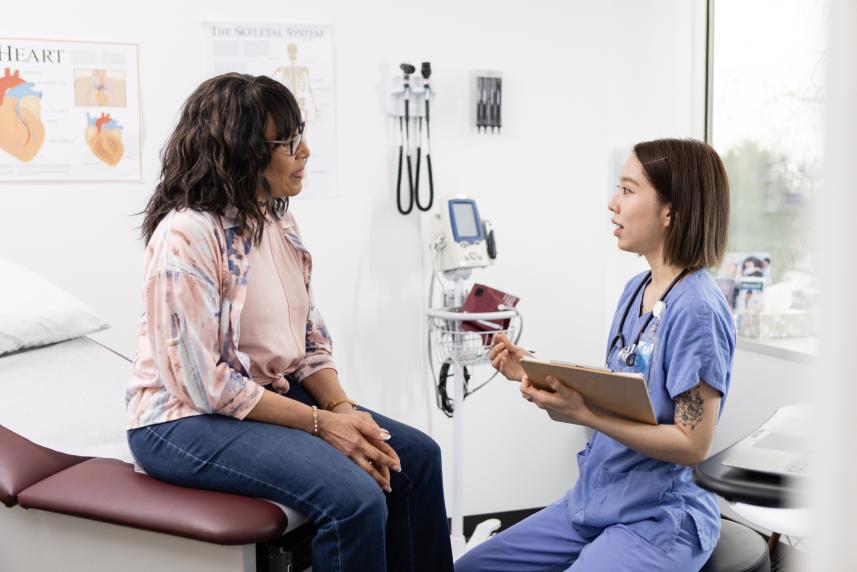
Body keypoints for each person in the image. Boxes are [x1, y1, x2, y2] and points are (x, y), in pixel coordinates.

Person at [126, 73, 453, 572]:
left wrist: (343, 409)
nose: (306, 152)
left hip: (266, 396)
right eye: (289, 142)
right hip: (182, 421)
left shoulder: (276, 220)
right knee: (354, 498)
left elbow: (309, 344)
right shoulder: (186, 235)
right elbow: (204, 386)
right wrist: (323, 426)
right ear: (241, 152)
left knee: (416, 457)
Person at [456, 139, 735, 571]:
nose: (612, 204)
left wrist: (583, 414)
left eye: (627, 190)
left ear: (670, 211)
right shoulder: (635, 291)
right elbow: (623, 387)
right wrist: (534, 370)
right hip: (600, 498)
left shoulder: (697, 309)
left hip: (661, 516)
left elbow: (692, 444)